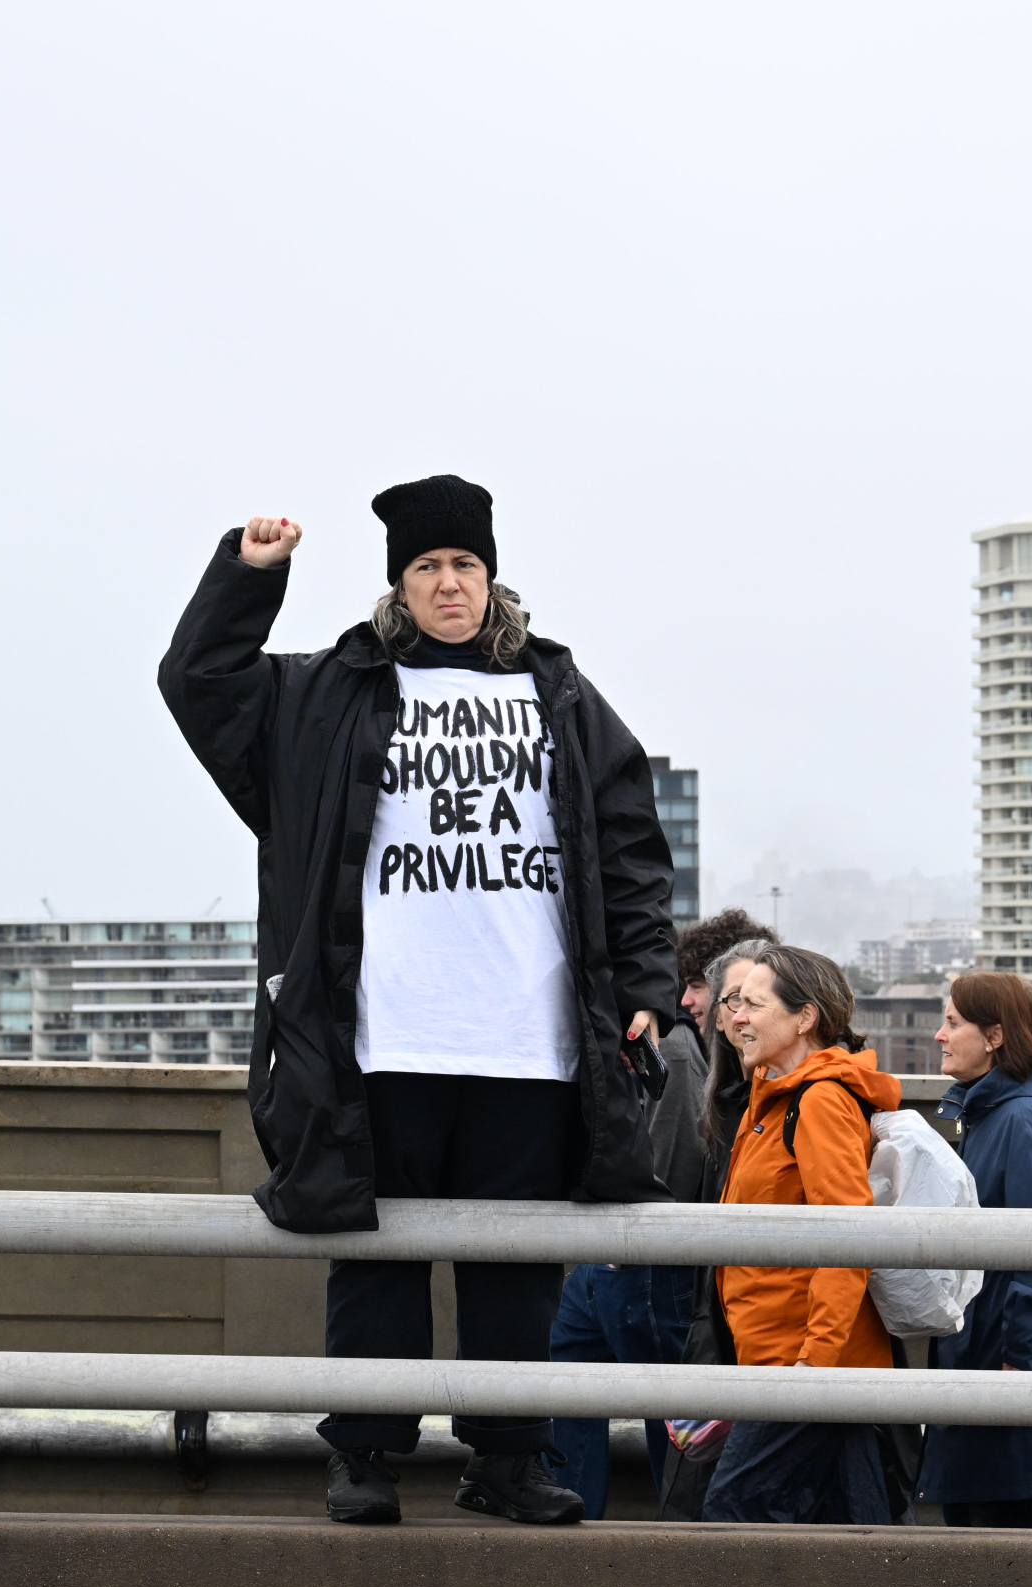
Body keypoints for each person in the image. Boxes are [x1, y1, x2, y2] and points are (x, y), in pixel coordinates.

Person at [157, 477, 677, 1529]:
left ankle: (507, 1460)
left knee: (515, 1274)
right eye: (431, 568)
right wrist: (248, 575)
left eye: (467, 567)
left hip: (531, 1042)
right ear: (401, 581)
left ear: (492, 578)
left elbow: (629, 844)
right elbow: (200, 682)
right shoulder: (334, 689)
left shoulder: (559, 692)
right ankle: (366, 1455)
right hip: (381, 1037)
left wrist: (647, 988)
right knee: (375, 1262)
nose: (451, 584)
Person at [542, 910, 774, 1519]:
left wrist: (634, 1233)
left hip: (643, 1260)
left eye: (701, 986)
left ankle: (661, 1539)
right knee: (576, 1389)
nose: (691, 999)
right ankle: (577, 1519)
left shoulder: (672, 1046)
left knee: (671, 1421)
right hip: (618, 1258)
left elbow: (675, 1156)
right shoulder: (690, 1050)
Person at [702, 942, 901, 1525]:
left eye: (755, 1005)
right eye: (735, 1003)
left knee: (732, 1513)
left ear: (804, 1018)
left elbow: (848, 1234)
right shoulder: (771, 1098)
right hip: (788, 1359)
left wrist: (814, 1365)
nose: (736, 1017)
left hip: (802, 1366)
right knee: (857, 1528)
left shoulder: (817, 1102)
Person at [917, 971, 1032, 1528]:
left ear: (994, 1037)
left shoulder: (1022, 1119)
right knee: (983, 1525)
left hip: (1004, 1358)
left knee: (995, 1535)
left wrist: (1021, 1358)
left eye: (952, 1023)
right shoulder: (995, 1112)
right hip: (988, 1350)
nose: (940, 1036)